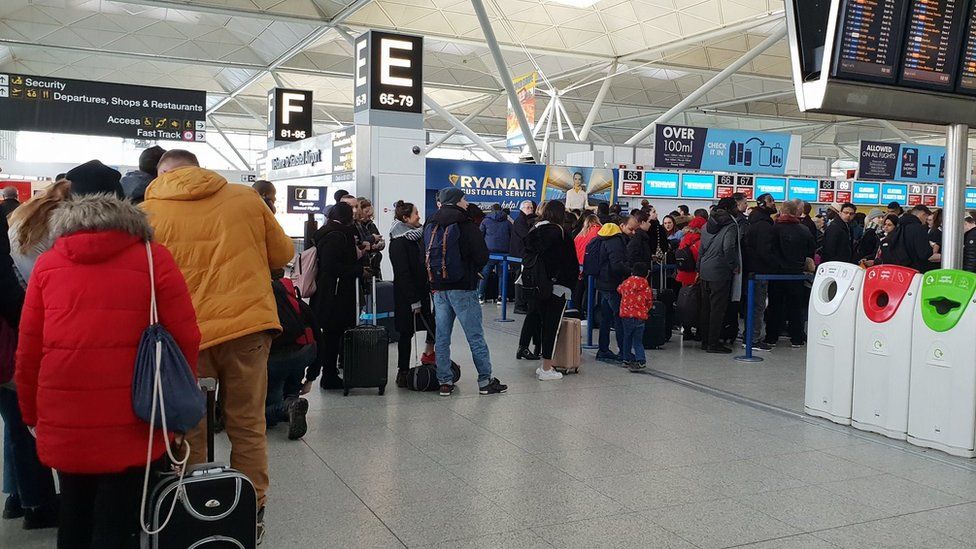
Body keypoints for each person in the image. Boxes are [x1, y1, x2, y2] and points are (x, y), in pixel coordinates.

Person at [17, 193, 200, 548]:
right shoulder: (152, 257)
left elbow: (29, 348)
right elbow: (185, 338)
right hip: (137, 413)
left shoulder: (48, 263)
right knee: (123, 518)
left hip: (63, 411)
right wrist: (177, 412)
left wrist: (29, 412)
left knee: (73, 509)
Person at [140, 149, 293, 539]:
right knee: (247, 422)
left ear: (162, 174)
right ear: (199, 167)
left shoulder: (146, 211)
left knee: (190, 424)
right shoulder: (246, 197)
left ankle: (196, 505)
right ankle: (253, 508)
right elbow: (283, 254)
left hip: (183, 337)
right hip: (248, 326)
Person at [424, 187, 507, 397]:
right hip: (463, 287)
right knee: (475, 336)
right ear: (456, 200)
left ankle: (444, 381)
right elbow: (481, 255)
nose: (466, 202)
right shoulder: (465, 223)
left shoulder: (430, 222)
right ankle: (485, 381)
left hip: (439, 288)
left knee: (442, 337)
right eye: (464, 198)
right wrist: (474, 270)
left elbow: (422, 253)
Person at [307, 202, 367, 392]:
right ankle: (329, 375)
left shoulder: (326, 232)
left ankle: (329, 372)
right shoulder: (339, 235)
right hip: (336, 294)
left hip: (327, 292)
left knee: (332, 335)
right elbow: (331, 266)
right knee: (333, 336)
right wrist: (358, 270)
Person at [518, 201, 578, 381]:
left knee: (542, 322)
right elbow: (565, 262)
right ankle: (546, 367)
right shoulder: (560, 234)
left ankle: (543, 364)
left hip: (536, 285)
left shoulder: (534, 231)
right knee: (552, 326)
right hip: (556, 287)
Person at [389, 200, 436, 386]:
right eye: (416, 213)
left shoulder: (418, 237)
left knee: (432, 325)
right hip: (406, 296)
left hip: (422, 291)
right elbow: (402, 273)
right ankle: (403, 370)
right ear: (405, 218)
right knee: (406, 333)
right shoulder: (398, 243)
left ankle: (429, 355)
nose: (419, 217)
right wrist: (413, 300)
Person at [265, 273, 316, 440]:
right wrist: (310, 379)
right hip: (305, 354)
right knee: (294, 371)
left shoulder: (262, 309)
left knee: (256, 417)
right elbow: (320, 341)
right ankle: (293, 399)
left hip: (275, 361)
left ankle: (285, 408)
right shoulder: (298, 305)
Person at [765, 200, 816, 349]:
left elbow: (769, 249)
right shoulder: (804, 229)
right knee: (796, 307)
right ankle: (797, 338)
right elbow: (810, 248)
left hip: (777, 274)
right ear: (796, 212)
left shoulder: (774, 229)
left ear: (782, 211)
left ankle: (771, 337)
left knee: (775, 306)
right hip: (796, 273)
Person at [698, 199, 741, 354]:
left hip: (705, 270)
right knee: (717, 309)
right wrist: (734, 265)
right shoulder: (730, 226)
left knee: (706, 308)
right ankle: (713, 343)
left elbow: (701, 249)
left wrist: (699, 268)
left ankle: (704, 340)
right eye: (735, 206)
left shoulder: (706, 225)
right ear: (729, 208)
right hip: (720, 272)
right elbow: (728, 247)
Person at [742, 193, 777, 352]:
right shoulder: (764, 225)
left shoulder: (753, 221)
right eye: (771, 201)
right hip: (760, 270)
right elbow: (765, 250)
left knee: (752, 304)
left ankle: (749, 335)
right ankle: (753, 339)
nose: (774, 204)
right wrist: (774, 264)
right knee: (758, 305)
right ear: (763, 204)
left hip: (751, 269)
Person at [594, 222, 629, 363]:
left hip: (602, 282)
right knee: (619, 317)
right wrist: (630, 270)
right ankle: (623, 352)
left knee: (606, 318)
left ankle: (603, 349)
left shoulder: (601, 238)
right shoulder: (615, 241)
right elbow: (616, 265)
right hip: (612, 284)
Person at [617, 262, 653, 371]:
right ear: (646, 274)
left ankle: (626, 359)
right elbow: (649, 301)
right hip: (640, 317)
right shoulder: (646, 286)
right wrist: (646, 310)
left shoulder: (627, 283)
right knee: (638, 341)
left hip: (626, 315)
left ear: (633, 272)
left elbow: (619, 289)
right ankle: (641, 360)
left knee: (627, 337)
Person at [881, 205, 937, 272]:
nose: (926, 221)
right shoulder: (918, 228)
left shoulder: (898, 227)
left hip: (897, 269)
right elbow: (924, 254)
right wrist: (931, 248)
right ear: (923, 214)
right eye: (926, 217)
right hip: (914, 271)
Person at [675, 217, 706, 339]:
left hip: (683, 275)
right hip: (695, 276)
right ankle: (698, 330)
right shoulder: (699, 242)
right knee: (698, 304)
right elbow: (700, 259)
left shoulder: (684, 239)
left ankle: (686, 330)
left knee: (686, 303)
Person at [479, 203, 511, 302]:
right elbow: (512, 236)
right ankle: (501, 297)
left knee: (484, 274)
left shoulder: (485, 221)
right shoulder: (507, 222)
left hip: (489, 253)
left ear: (491, 210)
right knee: (502, 275)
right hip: (504, 253)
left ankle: (480, 295)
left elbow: (480, 235)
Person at [510, 200, 537, 315]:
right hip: (520, 255)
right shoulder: (521, 221)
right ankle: (519, 305)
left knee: (523, 280)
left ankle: (522, 304)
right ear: (521, 209)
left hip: (522, 255)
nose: (530, 209)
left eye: (531, 207)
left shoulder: (526, 220)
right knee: (519, 280)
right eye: (527, 207)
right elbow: (527, 236)